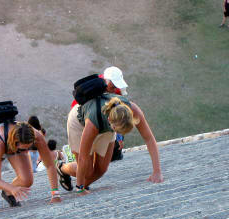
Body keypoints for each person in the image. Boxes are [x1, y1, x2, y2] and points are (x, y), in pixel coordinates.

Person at [57, 66, 163, 194]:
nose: (114, 89)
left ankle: (83, 183)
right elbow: (83, 158)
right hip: (80, 124)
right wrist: (80, 189)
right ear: (111, 123)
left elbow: (149, 138)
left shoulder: (132, 108)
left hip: (106, 118)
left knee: (101, 169)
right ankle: (62, 168)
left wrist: (157, 172)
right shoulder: (93, 121)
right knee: (87, 170)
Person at [0, 121, 61, 209]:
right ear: (15, 142)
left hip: (12, 146)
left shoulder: (37, 136)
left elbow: (50, 164)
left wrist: (55, 195)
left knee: (27, 180)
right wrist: (12, 188)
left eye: (29, 148)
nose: (27, 152)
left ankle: (7, 194)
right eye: (23, 149)